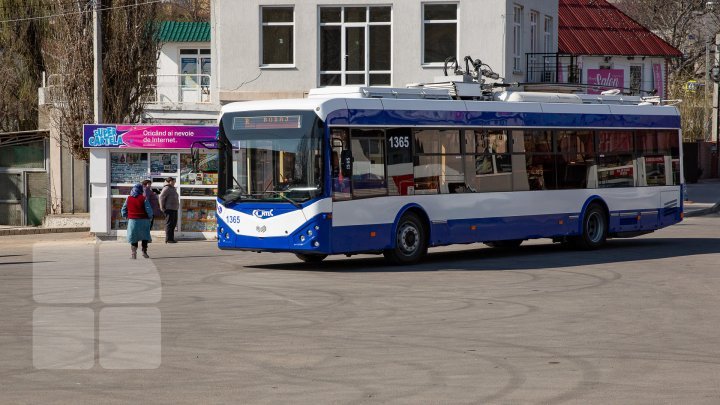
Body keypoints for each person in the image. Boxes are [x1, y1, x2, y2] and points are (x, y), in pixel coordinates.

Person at [121, 183, 153, 259]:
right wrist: (150, 217)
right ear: (141, 190)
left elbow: (123, 209)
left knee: (133, 237)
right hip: (144, 221)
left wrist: (125, 216)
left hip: (133, 221)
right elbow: (149, 210)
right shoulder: (144, 198)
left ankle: (133, 253)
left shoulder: (128, 198)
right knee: (145, 237)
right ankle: (144, 252)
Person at [159, 176, 179, 243]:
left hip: (174, 208)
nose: (174, 183)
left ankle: (171, 238)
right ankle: (168, 239)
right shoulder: (166, 188)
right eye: (173, 181)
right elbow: (161, 197)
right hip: (169, 209)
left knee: (173, 224)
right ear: (169, 181)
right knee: (169, 224)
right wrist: (162, 207)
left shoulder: (172, 188)